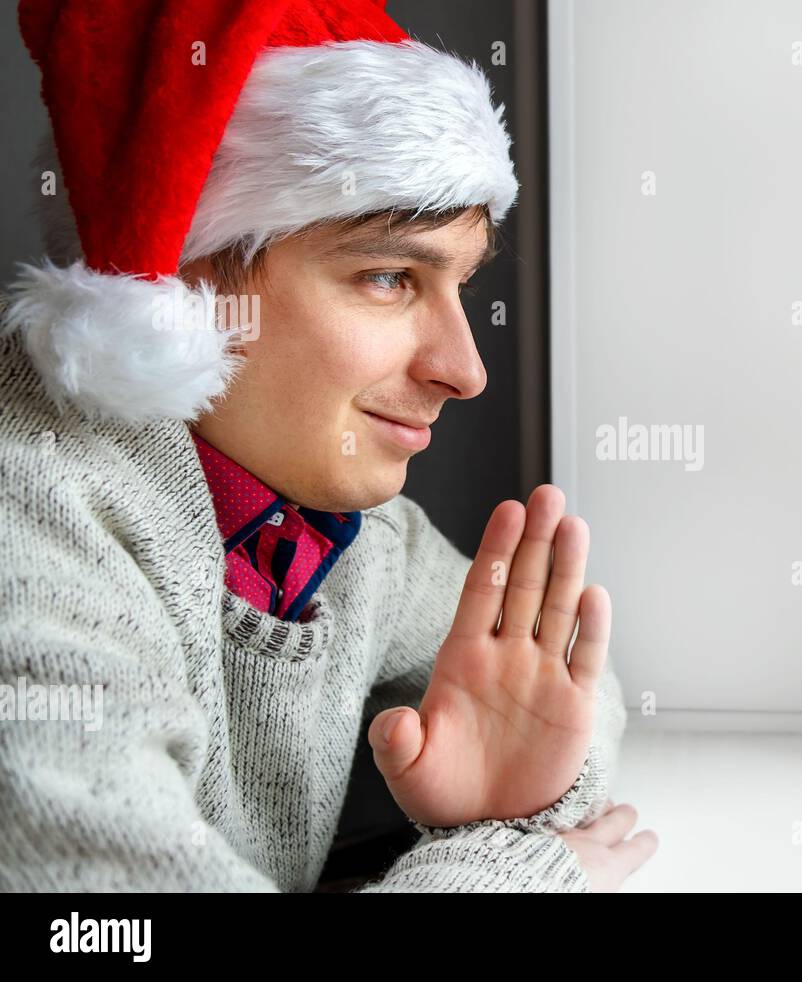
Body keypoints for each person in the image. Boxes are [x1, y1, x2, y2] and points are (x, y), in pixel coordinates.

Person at [0, 0, 657, 892]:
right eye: (388, 277)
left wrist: (515, 790)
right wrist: (498, 872)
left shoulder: (327, 517)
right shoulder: (27, 530)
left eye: (459, 284)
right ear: (184, 283)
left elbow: (563, 695)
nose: (465, 370)